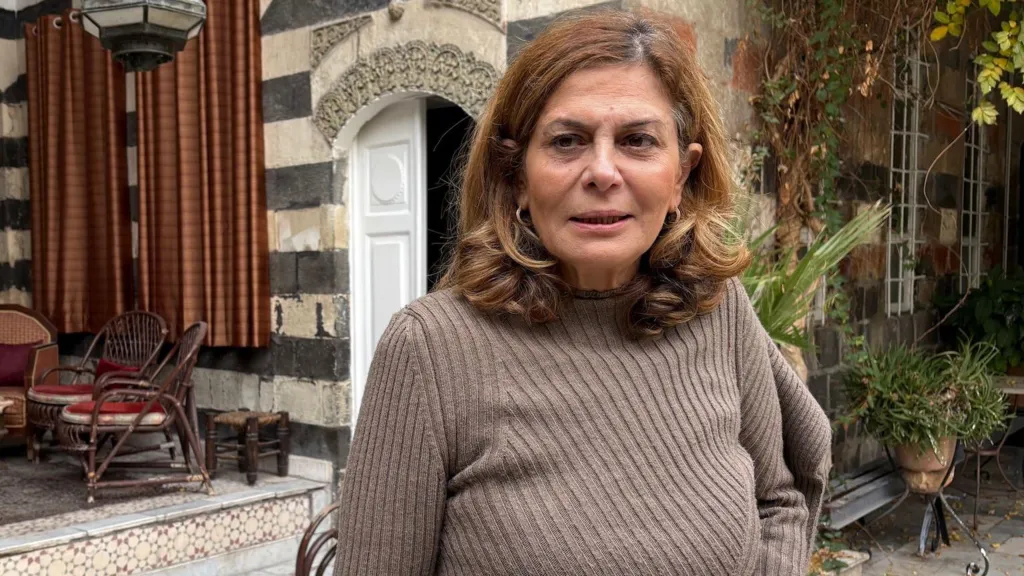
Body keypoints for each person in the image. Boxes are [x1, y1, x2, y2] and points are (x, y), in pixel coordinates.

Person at [333, 10, 831, 576]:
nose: (602, 172)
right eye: (567, 141)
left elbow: (779, 501)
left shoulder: (718, 308)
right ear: (517, 177)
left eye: (637, 141)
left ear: (682, 177)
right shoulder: (430, 349)